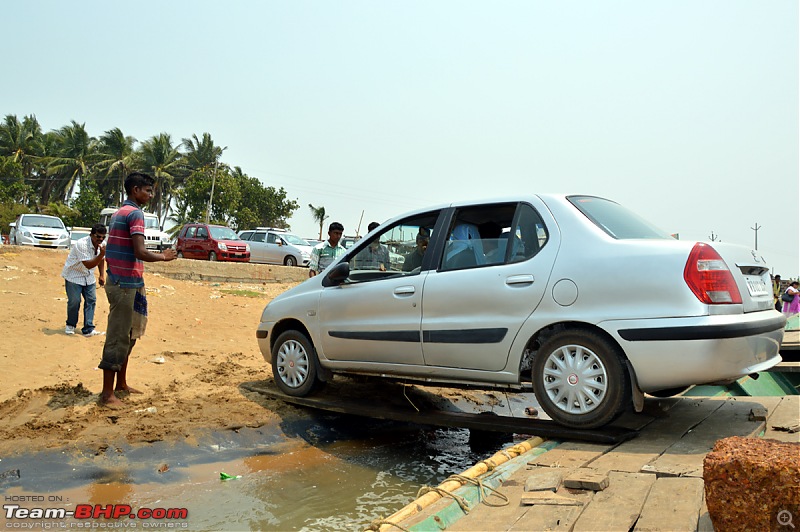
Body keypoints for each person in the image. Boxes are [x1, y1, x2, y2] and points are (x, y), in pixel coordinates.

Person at [98, 172, 178, 408]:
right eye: (148, 190)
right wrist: (164, 257)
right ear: (135, 190)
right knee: (118, 336)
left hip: (128, 281)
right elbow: (140, 251)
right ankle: (107, 394)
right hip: (124, 284)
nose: (151, 195)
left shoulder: (119, 213)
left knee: (130, 335)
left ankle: (121, 384)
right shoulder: (134, 214)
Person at [61, 223, 107, 337]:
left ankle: (88, 328)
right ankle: (70, 325)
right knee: (75, 301)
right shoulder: (82, 244)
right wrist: (101, 254)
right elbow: (88, 264)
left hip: (89, 277)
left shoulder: (102, 245)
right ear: (91, 235)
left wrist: (101, 275)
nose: (100, 239)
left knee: (91, 301)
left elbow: (101, 260)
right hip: (74, 275)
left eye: (103, 237)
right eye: (98, 236)